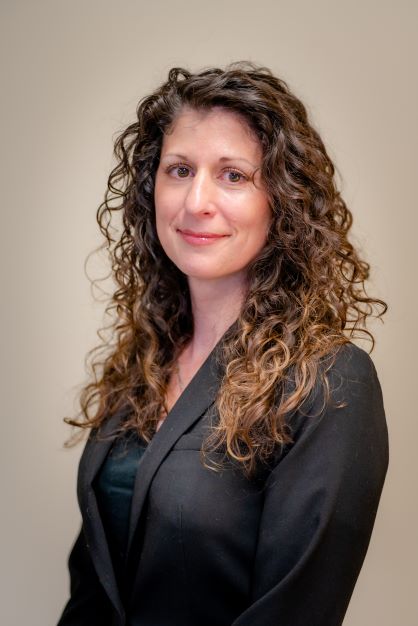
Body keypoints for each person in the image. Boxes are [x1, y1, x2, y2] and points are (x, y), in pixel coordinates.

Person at [57, 63, 389, 626]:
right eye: (179, 170)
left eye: (233, 176)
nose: (196, 201)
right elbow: (96, 587)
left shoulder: (328, 382)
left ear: (281, 201)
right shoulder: (142, 365)